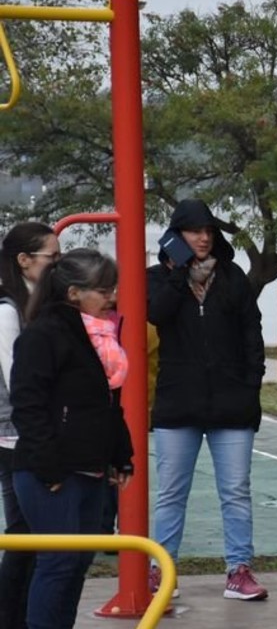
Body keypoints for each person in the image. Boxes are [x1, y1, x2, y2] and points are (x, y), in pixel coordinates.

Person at [147, 199, 268, 601]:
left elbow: (253, 333)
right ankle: (161, 570)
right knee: (170, 492)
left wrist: (252, 385)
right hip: (177, 404)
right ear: (175, 235)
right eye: (194, 231)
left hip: (231, 405)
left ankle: (239, 569)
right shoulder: (156, 279)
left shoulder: (232, 277)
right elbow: (156, 315)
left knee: (235, 490)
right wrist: (177, 273)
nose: (203, 237)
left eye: (209, 231)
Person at [10, 249, 133, 629]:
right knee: (58, 561)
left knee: (78, 563)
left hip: (90, 468)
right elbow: (28, 405)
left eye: (113, 288)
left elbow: (108, 404)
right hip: (50, 471)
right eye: (103, 290)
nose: (111, 297)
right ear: (74, 292)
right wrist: (49, 468)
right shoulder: (44, 334)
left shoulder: (100, 338)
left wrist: (120, 455)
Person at [0, 221, 58, 629]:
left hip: (31, 431)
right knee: (24, 533)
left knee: (32, 532)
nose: (58, 263)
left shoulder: (38, 304)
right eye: (51, 258)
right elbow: (16, 378)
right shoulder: (8, 311)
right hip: (13, 435)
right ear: (23, 260)